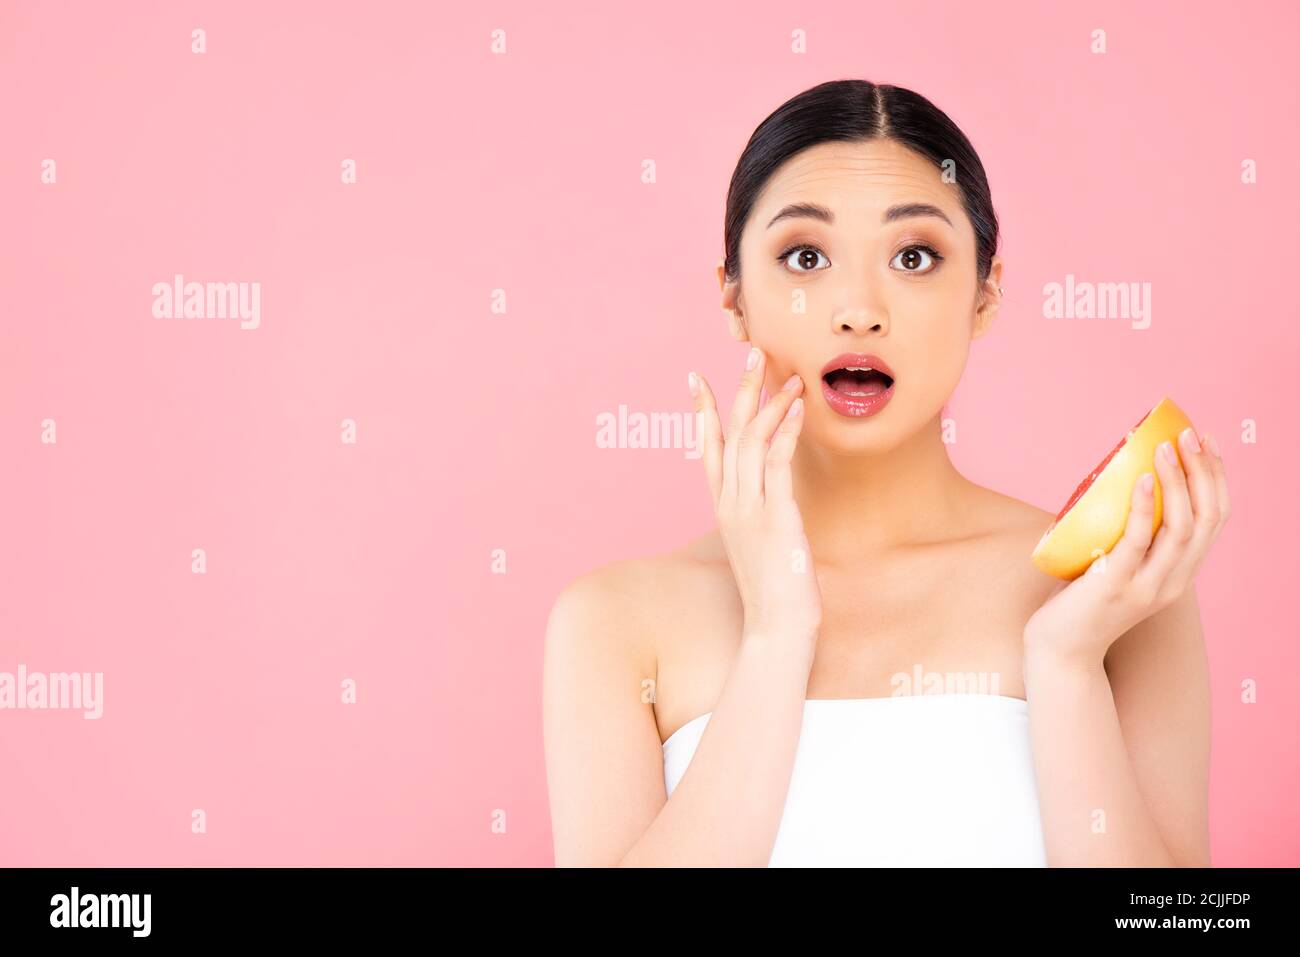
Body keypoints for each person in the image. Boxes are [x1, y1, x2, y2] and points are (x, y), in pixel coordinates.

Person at [542, 79, 1230, 867]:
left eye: (914, 256)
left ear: (986, 294)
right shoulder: (612, 623)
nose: (859, 309)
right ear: (733, 297)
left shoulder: (1119, 587)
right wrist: (774, 637)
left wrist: (1067, 667)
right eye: (805, 256)